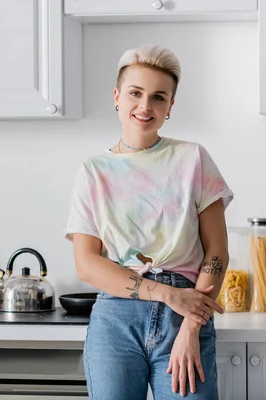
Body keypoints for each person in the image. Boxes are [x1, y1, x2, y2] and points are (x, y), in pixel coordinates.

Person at [64, 44, 234, 399]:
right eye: (135, 93)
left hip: (186, 315)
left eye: (158, 97)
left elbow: (216, 251)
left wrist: (190, 328)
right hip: (116, 318)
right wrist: (167, 294)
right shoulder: (92, 171)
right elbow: (87, 263)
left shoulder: (193, 159)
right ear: (117, 96)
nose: (145, 106)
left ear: (170, 106)